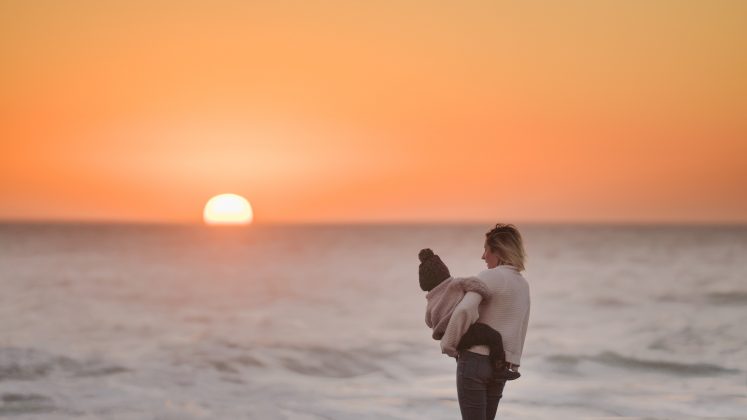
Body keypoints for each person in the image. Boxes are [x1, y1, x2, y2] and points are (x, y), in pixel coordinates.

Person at [441, 224, 531, 420]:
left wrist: (449, 344)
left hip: (474, 361)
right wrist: (514, 362)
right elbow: (521, 326)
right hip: (500, 367)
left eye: (486, 249)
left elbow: (464, 309)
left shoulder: (490, 276)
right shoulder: (523, 284)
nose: (483, 256)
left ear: (497, 250)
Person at [419, 248, 520, 382]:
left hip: (449, 337)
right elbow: (477, 285)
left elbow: (428, 322)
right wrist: (486, 296)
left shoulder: (430, 303)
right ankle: (499, 369)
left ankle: (463, 367)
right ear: (444, 271)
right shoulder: (455, 284)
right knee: (494, 337)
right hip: (466, 330)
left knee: (461, 358)